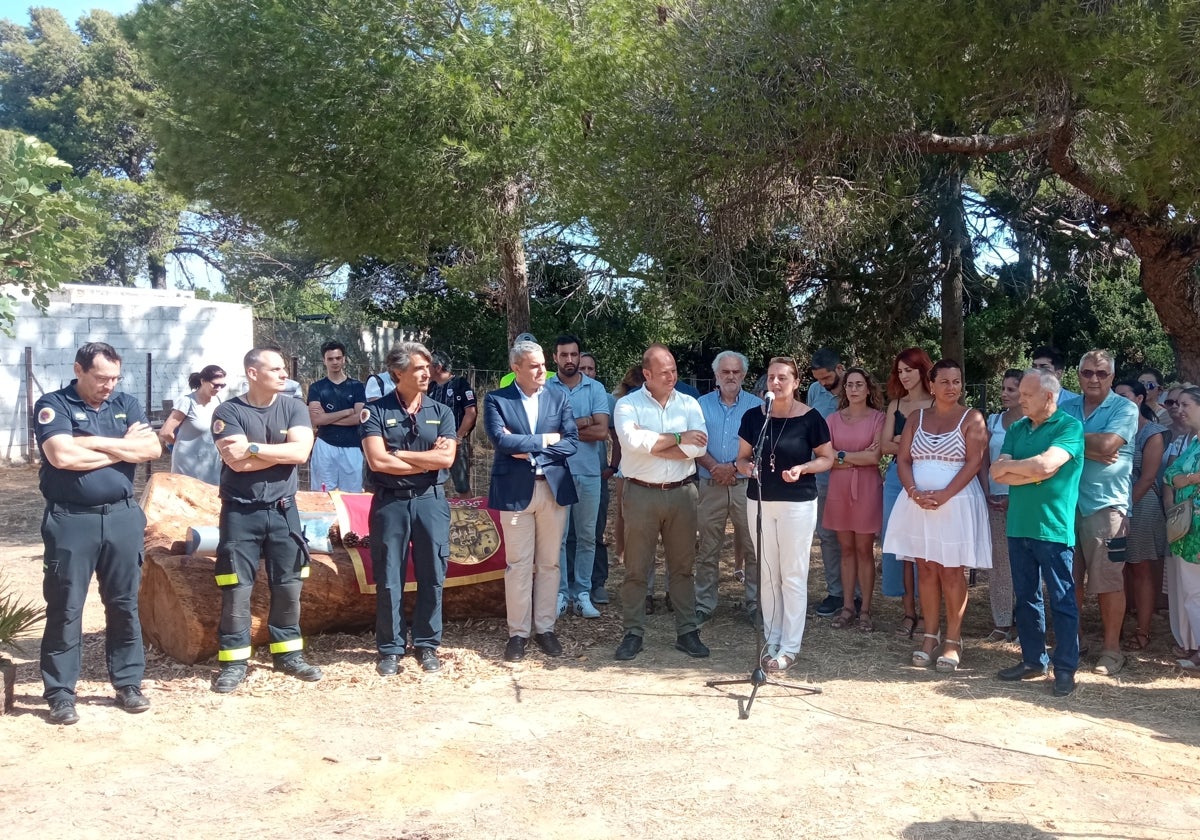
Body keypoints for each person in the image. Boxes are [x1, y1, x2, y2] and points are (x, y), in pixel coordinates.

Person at [34, 342, 162, 725]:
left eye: (114, 378)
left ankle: (128, 683)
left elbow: (152, 447)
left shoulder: (126, 403)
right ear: (79, 370)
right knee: (66, 606)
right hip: (72, 520)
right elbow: (62, 456)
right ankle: (60, 693)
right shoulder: (53, 404)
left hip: (122, 517)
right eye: (101, 378)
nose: (109, 385)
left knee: (124, 604)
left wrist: (89, 441)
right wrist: (124, 448)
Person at [210, 347, 321, 693]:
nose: (284, 374)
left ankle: (287, 655)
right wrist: (280, 453)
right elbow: (235, 462)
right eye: (275, 369)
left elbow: (301, 453)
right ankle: (233, 662)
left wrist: (255, 449)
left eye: (284, 368)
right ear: (253, 373)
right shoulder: (228, 411)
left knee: (289, 586)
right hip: (240, 512)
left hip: (285, 512)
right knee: (236, 590)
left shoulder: (294, 407)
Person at [883, 359, 991, 672]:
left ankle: (954, 641)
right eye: (944, 381)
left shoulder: (973, 418)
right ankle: (930, 635)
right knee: (926, 569)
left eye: (957, 381)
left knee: (952, 572)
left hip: (955, 504)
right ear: (932, 385)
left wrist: (945, 494)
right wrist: (914, 491)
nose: (951, 387)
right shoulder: (916, 417)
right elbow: (903, 459)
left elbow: (974, 463)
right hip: (917, 504)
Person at [361, 342, 457, 675]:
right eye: (418, 368)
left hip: (431, 501)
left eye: (428, 367)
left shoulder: (442, 411)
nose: (426, 373)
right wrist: (425, 461)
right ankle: (390, 648)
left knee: (433, 574)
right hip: (391, 503)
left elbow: (446, 459)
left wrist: (400, 455)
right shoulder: (374, 411)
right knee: (389, 577)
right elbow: (376, 460)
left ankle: (428, 644)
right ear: (397, 372)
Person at [734, 356, 834, 670]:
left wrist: (804, 468)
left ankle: (790, 647)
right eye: (771, 377)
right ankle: (771, 638)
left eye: (782, 378)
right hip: (761, 501)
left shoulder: (811, 418)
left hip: (797, 504)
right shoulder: (754, 417)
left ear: (796, 382)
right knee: (768, 573)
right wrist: (746, 468)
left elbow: (827, 458)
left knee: (791, 575)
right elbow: (741, 458)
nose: (775, 383)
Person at [990, 369, 1085, 697]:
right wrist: (1032, 472)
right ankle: (1033, 660)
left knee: (1061, 600)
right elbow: (997, 471)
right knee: (1026, 597)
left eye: (1027, 395)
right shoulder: (1016, 428)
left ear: (1049, 396)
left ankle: (1065, 669)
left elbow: (1046, 465)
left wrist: (1027, 469)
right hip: (1019, 527)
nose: (1020, 399)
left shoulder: (1070, 428)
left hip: (1054, 529)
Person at [613, 344, 709, 661]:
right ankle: (633, 633)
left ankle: (687, 632)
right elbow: (632, 441)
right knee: (636, 569)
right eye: (664, 371)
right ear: (647, 374)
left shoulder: (690, 403)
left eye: (674, 370)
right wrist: (680, 437)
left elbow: (698, 448)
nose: (671, 376)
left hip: (683, 494)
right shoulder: (627, 405)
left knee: (682, 568)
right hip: (640, 493)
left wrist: (654, 441)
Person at [485, 339, 579, 662]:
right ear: (516, 369)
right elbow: (500, 440)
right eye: (535, 365)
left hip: (552, 489)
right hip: (514, 492)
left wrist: (525, 445)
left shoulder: (559, 396)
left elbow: (571, 443)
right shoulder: (497, 400)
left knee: (550, 563)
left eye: (543, 364)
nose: (543, 370)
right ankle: (518, 634)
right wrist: (543, 440)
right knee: (518, 565)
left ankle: (546, 628)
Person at [1061, 350, 1138, 677]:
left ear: (1112, 377)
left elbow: (1108, 445)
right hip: (1064, 505)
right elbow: (1046, 442)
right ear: (1078, 375)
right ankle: (1072, 643)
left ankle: (1111, 650)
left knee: (1108, 582)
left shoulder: (1125, 408)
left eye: (1102, 373)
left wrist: (1070, 443)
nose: (1094, 378)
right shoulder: (1066, 407)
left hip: (1106, 508)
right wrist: (1090, 445)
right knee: (1068, 580)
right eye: (1088, 372)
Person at [695, 351, 762, 624]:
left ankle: (756, 606)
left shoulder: (757, 406)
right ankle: (703, 604)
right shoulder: (700, 404)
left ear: (743, 375)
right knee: (708, 547)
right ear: (716, 375)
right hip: (709, 484)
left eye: (736, 372)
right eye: (725, 372)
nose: (731, 376)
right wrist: (714, 467)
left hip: (745, 485)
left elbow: (761, 446)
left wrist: (732, 467)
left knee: (753, 546)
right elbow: (695, 443)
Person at [546, 335, 609, 619]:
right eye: (564, 355)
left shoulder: (595, 388)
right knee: (557, 538)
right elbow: (544, 433)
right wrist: (583, 421)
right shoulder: (546, 389)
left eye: (574, 354)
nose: (569, 360)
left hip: (589, 473)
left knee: (586, 537)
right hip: (556, 472)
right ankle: (559, 593)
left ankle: (582, 593)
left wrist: (566, 428)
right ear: (555, 358)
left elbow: (601, 432)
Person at [878, 348, 935, 637]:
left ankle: (929, 614)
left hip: (929, 481)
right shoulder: (896, 405)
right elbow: (884, 446)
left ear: (923, 370)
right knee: (902, 547)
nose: (904, 376)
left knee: (927, 547)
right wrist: (905, 442)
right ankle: (908, 612)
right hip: (895, 483)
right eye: (900, 371)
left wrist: (902, 442)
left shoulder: (939, 402)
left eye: (909, 370)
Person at [823, 367, 885, 632]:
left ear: (868, 388)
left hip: (867, 489)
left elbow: (874, 458)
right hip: (838, 490)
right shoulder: (832, 420)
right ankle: (848, 606)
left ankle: (866, 610)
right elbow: (825, 458)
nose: (854, 389)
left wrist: (841, 455)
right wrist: (850, 457)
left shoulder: (879, 419)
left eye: (859, 384)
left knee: (864, 550)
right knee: (845, 550)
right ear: (844, 389)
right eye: (850, 384)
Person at [1114, 380, 1167, 652]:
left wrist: (1126, 509)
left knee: (1141, 569)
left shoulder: (1152, 433)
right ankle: (1116, 627)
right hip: (1112, 506)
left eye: (1124, 395)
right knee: (1117, 569)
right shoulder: (1111, 426)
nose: (1118, 399)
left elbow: (1147, 479)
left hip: (1141, 505)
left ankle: (1143, 631)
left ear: (1139, 398)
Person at [983, 369, 1025, 643]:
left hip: (1024, 500)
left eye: (1011, 389)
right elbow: (983, 459)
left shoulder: (1034, 423)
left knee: (1025, 562)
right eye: (1003, 388)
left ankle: (1026, 622)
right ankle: (1001, 622)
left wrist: (1016, 494)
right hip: (996, 500)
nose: (1004, 393)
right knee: (999, 564)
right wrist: (987, 492)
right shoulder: (994, 421)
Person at [807, 347, 848, 617]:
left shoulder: (858, 388)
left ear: (840, 369)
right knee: (828, 535)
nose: (822, 384)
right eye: (818, 379)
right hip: (822, 475)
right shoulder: (814, 391)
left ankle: (856, 595)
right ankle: (836, 593)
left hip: (853, 475)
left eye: (826, 378)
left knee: (853, 538)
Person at [578, 352, 620, 605]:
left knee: (594, 532)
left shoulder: (605, 399)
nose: (586, 372)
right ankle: (572, 585)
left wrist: (612, 467)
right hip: (566, 473)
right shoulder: (563, 395)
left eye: (590, 368)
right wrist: (586, 426)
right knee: (569, 534)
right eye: (582, 367)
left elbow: (611, 436)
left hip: (597, 475)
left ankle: (597, 583)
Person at [1163, 387, 1200, 669]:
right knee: (1192, 591)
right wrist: (1190, 478)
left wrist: (1184, 478)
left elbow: (1177, 476)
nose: (1180, 410)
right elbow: (1170, 475)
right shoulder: (1192, 442)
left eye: (1186, 404)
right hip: (1189, 529)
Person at [307, 340, 366, 492]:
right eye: (330, 359)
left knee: (352, 495)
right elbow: (316, 420)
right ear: (324, 360)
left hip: (352, 446)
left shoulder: (357, 386)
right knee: (322, 493)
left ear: (344, 359)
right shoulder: (316, 388)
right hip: (325, 445)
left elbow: (359, 418)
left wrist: (328, 418)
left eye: (338, 358)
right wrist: (347, 411)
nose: (335, 362)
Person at [159, 365, 227, 485]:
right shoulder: (187, 402)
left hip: (211, 463)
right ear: (203, 381)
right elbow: (165, 432)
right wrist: (182, 444)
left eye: (222, 385)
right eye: (215, 385)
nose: (219, 389)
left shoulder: (218, 401)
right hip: (187, 464)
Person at [611, 365, 644, 601]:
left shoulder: (622, 399)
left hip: (626, 465)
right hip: (631, 465)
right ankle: (625, 553)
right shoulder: (633, 400)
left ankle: (621, 553)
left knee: (622, 513)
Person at [429, 351, 478, 497]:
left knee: (462, 485)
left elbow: (471, 412)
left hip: (455, 443)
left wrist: (458, 437)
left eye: (428, 366)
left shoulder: (460, 385)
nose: (425, 370)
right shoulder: (430, 387)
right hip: (433, 444)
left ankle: (468, 515)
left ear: (438, 367)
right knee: (431, 482)